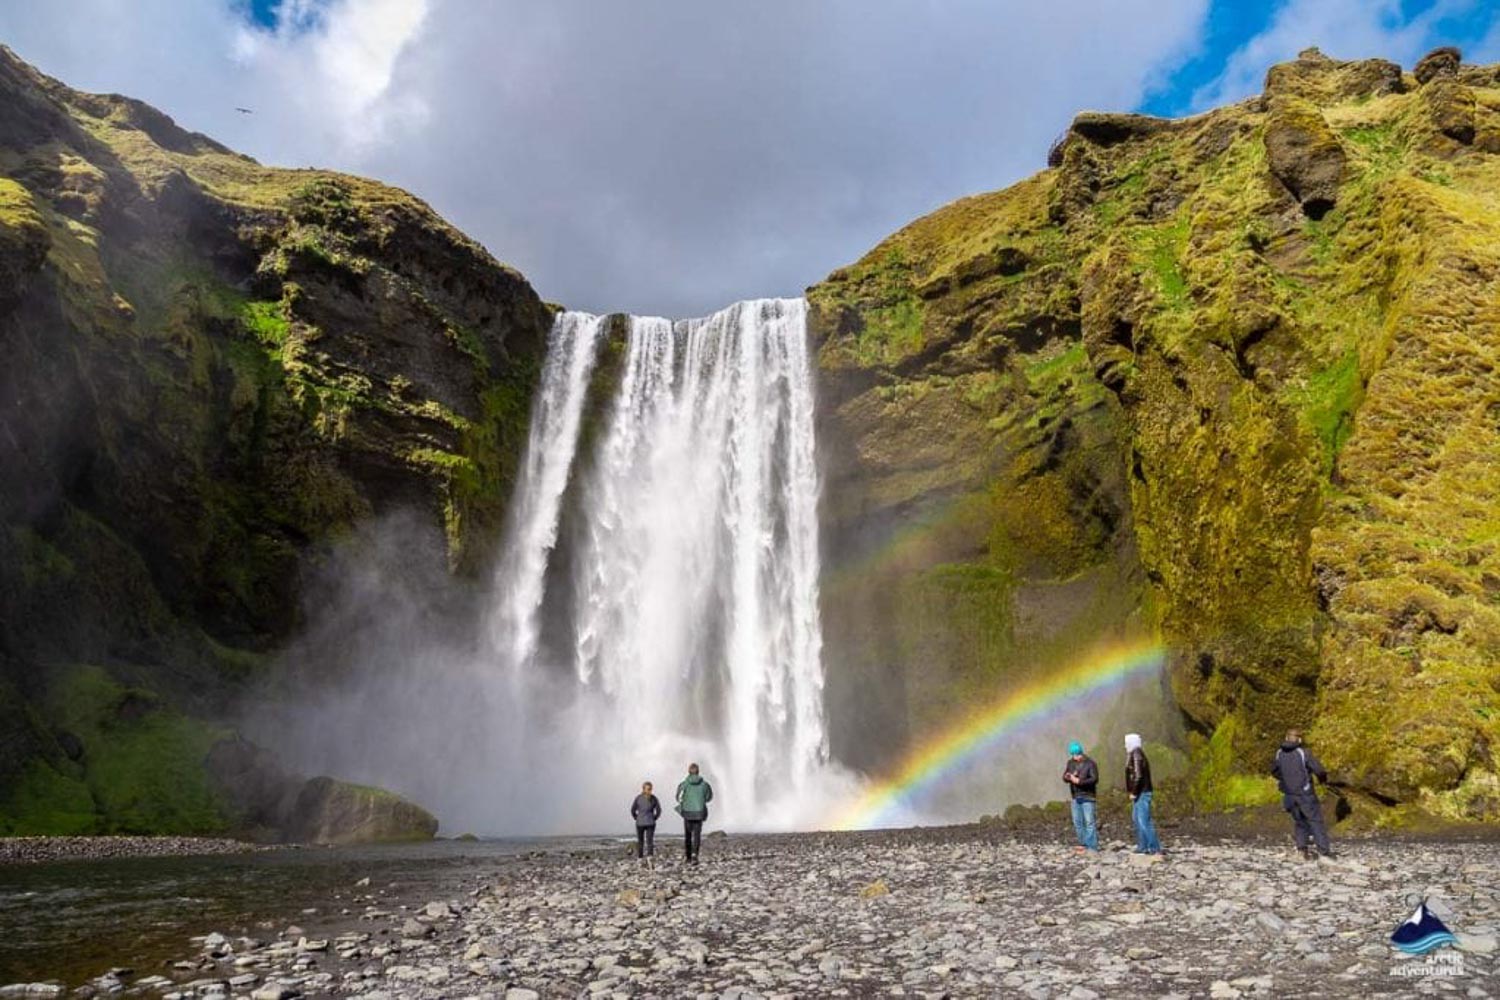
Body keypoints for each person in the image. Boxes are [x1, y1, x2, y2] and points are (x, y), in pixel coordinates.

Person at [1270, 729, 1333, 859]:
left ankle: (1302, 850)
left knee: (1299, 822)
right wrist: (1322, 781)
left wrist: (1285, 780)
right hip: (1305, 794)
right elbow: (1319, 770)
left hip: (1288, 794)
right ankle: (1324, 852)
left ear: (1286, 738)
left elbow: (1274, 771)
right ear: (1299, 739)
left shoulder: (1279, 753)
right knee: (1315, 821)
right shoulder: (1303, 753)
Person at [1124, 733, 1160, 855]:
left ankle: (1153, 848)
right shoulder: (1135, 753)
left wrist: (1133, 792)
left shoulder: (1136, 754)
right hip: (1141, 792)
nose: (1125, 745)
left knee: (1143, 820)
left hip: (1142, 792)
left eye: (1126, 742)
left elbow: (1138, 776)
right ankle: (1144, 846)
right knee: (1139, 819)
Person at [1062, 741, 1099, 852]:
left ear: (1081, 752)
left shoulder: (1090, 763)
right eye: (1073, 754)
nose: (1075, 757)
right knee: (1077, 822)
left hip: (1088, 796)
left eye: (1076, 754)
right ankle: (1083, 844)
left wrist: (1079, 781)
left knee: (1089, 822)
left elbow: (1094, 779)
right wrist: (1067, 777)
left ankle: (1092, 846)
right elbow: (1064, 777)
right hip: (1075, 797)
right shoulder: (1070, 763)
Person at [675, 763, 714, 864]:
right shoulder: (705, 784)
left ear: (689, 772)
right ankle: (695, 855)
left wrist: (684, 802)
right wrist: (701, 800)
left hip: (687, 812)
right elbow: (709, 797)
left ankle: (688, 856)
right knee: (697, 835)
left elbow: (678, 797)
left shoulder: (684, 784)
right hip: (699, 812)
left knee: (687, 834)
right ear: (698, 772)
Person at [630, 781, 661, 862]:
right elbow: (633, 810)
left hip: (645, 822)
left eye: (650, 789)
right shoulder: (643, 798)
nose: (649, 790)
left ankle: (645, 858)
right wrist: (654, 818)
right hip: (646, 822)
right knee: (645, 841)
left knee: (645, 841)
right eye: (648, 789)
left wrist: (637, 818)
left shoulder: (650, 798)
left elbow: (633, 810)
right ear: (643, 789)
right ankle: (644, 857)